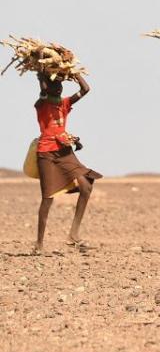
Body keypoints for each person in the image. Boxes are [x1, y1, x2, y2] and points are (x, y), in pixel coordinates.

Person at [33, 72, 101, 254]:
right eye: (55, 85)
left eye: (61, 84)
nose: (59, 87)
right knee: (48, 199)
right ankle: (39, 244)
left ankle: (73, 234)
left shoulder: (65, 103)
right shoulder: (42, 103)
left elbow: (85, 89)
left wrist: (75, 73)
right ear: (47, 87)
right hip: (46, 154)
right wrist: (41, 76)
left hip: (64, 152)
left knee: (86, 186)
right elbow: (43, 91)